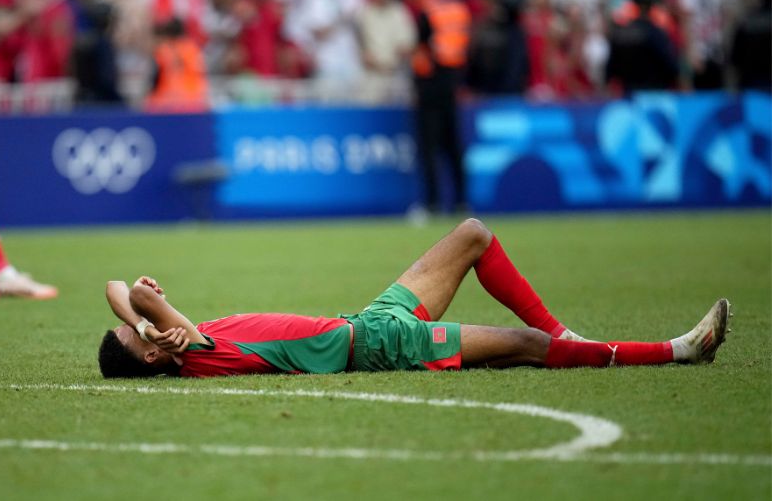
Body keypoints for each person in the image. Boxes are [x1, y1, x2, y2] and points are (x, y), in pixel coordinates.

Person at [97, 218, 730, 378]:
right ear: (154, 357)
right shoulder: (197, 353)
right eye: (139, 337)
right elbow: (139, 294)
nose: (145, 324)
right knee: (524, 348)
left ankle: (567, 336)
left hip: (370, 318)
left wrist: (139, 320)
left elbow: (117, 288)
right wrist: (150, 321)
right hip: (380, 347)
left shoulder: (177, 338)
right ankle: (678, 351)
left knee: (473, 236)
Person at [411, 0, 471, 215]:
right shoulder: (460, 8)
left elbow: (421, 46)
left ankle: (432, 203)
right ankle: (460, 201)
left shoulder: (426, 9)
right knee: (454, 146)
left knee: (430, 147)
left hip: (430, 83)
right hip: (452, 81)